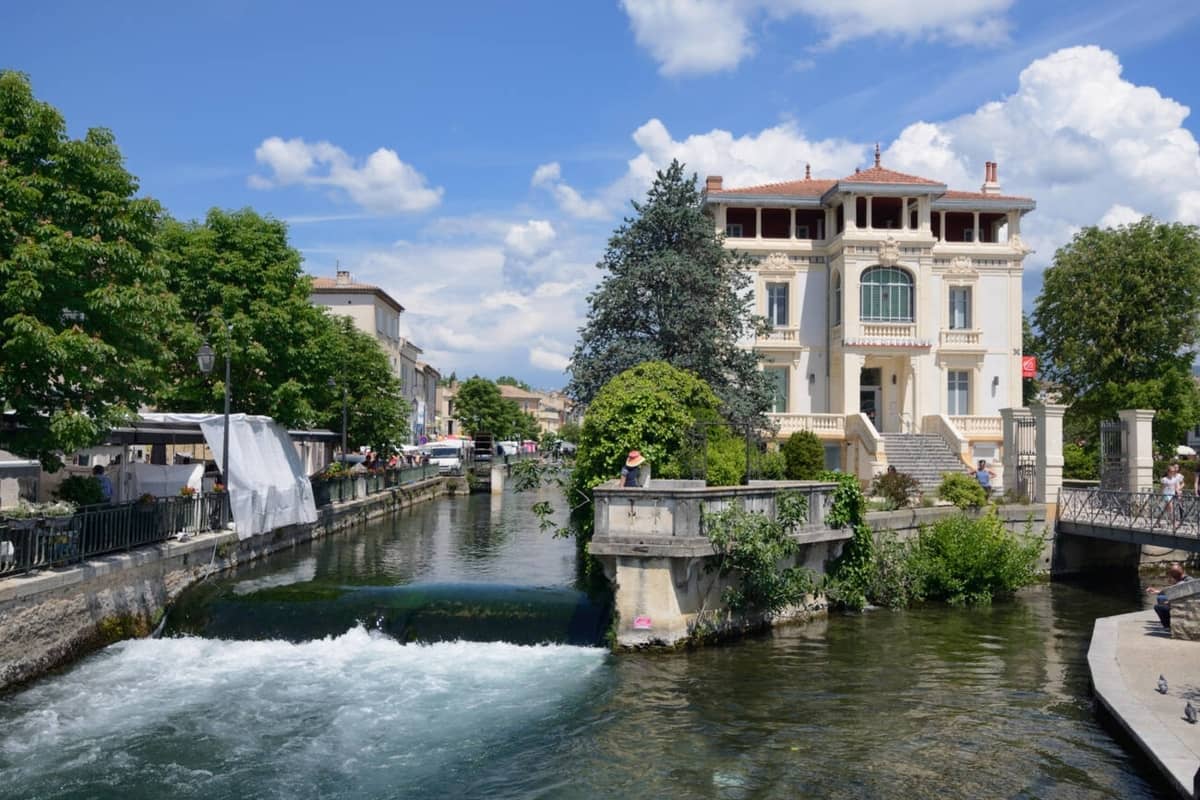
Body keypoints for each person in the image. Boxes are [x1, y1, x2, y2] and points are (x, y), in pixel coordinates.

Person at [1146, 562, 1194, 629]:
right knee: (1160, 598)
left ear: (1174, 575)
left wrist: (1169, 602)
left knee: (1158, 606)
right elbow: (1172, 592)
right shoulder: (1182, 580)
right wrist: (1157, 592)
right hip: (1181, 602)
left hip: (1184, 605)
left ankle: (1168, 625)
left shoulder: (1185, 581)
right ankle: (1169, 619)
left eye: (1172, 573)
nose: (1171, 575)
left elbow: (1185, 597)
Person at [1160, 462, 1184, 526]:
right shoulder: (1164, 479)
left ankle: (1158, 521)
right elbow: (1162, 488)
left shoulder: (1175, 479)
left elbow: (1176, 487)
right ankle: (1173, 522)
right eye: (1171, 471)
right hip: (1166, 495)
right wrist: (1160, 495)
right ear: (1168, 472)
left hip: (1172, 495)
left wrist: (1178, 492)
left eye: (1173, 471)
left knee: (1166, 509)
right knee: (1171, 508)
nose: (1172, 472)